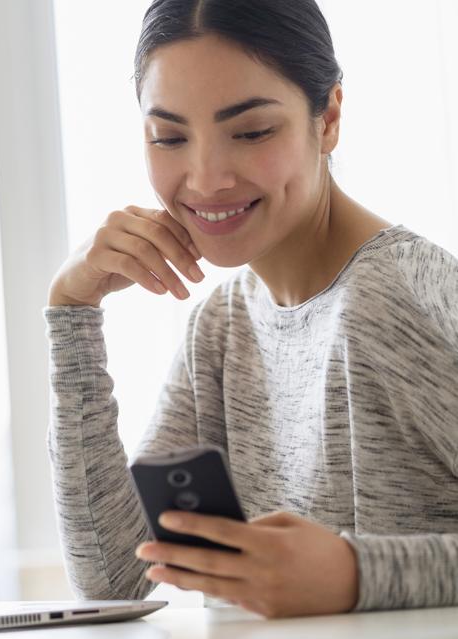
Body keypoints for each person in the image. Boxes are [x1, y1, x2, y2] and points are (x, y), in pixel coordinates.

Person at [44, 0, 458, 619]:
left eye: (252, 131)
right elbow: (113, 577)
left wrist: (356, 575)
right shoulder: (224, 323)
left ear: (329, 119)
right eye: (170, 137)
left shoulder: (401, 295)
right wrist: (72, 309)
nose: (206, 179)